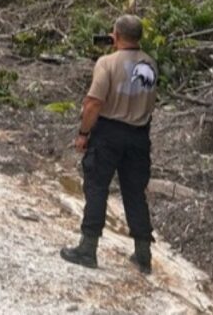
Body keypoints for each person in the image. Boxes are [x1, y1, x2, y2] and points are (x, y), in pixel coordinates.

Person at [61, 14, 158, 274]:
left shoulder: (107, 63)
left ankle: (88, 248)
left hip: (109, 134)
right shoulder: (150, 63)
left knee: (97, 187)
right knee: (135, 193)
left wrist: (84, 132)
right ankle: (143, 254)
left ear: (115, 35)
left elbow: (94, 102)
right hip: (139, 136)